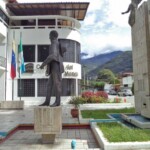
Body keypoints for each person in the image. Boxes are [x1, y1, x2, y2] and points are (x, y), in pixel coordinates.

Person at [39, 30, 66, 106]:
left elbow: (53, 56)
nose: (49, 37)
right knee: (49, 85)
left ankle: (57, 102)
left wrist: (43, 64)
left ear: (53, 36)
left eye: (50, 36)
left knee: (57, 84)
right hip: (54, 66)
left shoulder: (54, 43)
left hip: (56, 66)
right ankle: (47, 101)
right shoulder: (57, 43)